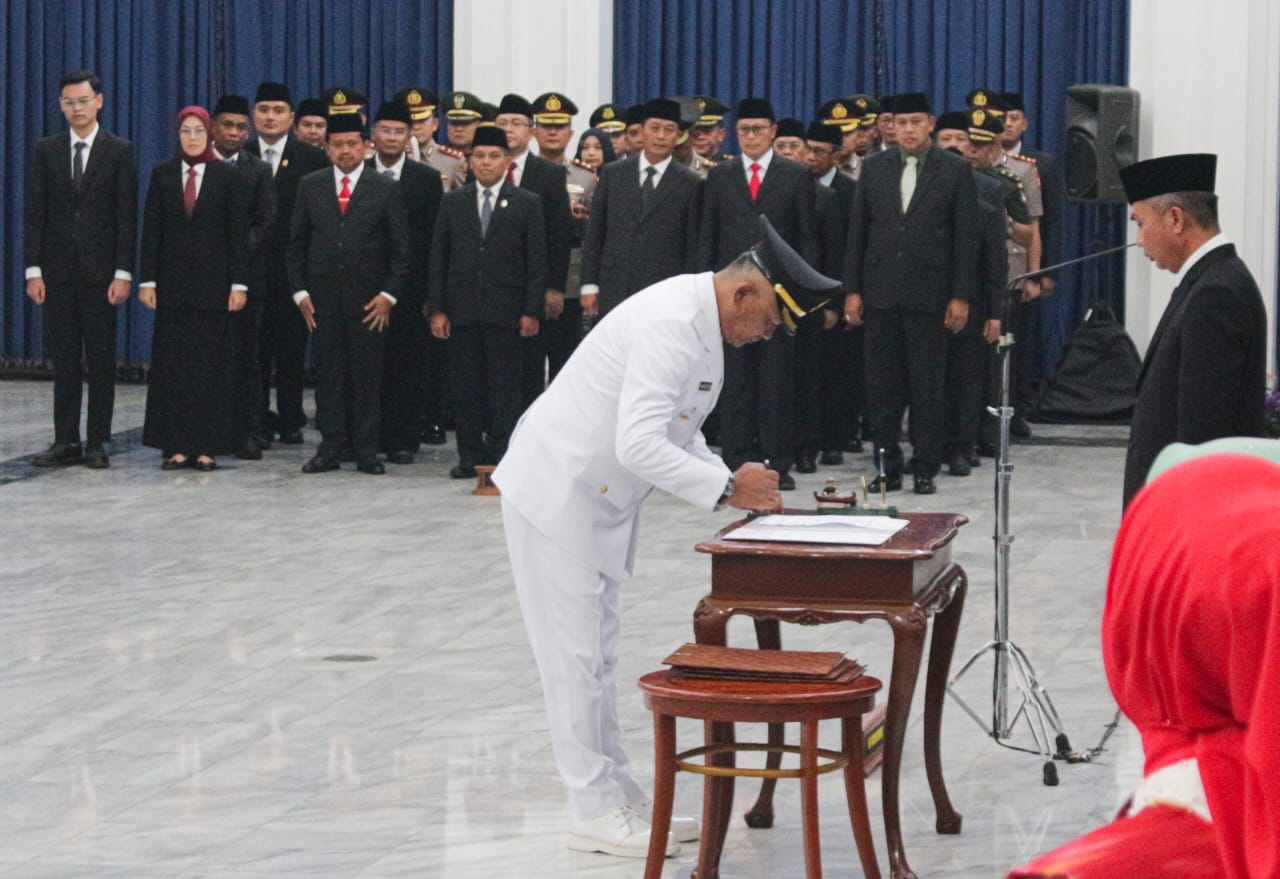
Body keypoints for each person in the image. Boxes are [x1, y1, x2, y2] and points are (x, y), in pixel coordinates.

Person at [493, 216, 838, 859]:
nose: (767, 335)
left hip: (594, 501)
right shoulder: (673, 325)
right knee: (572, 662)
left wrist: (730, 477)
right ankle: (591, 809)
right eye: (770, 320)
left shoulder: (701, 325)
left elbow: (681, 433)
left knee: (596, 657)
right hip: (558, 492)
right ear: (745, 294)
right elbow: (639, 443)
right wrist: (730, 489)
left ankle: (618, 798)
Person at [843, 92, 980, 495]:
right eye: (900, 123)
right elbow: (859, 234)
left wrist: (960, 295)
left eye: (915, 122)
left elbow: (964, 239)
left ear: (930, 124)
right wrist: (852, 290)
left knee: (927, 386)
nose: (907, 130)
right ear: (890, 126)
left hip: (930, 295)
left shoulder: (954, 170)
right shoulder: (875, 167)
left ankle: (925, 466)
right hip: (881, 293)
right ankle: (887, 465)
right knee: (882, 388)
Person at [1119, 153, 1267, 506]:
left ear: (1175, 219)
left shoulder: (1215, 292)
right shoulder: (1209, 281)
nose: (1138, 240)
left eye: (1140, 223)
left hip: (1187, 509)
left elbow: (1203, 431)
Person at [699, 97, 819, 491]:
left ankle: (776, 460)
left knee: (776, 380)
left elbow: (806, 240)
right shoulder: (720, 176)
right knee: (734, 379)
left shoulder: (795, 175)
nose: (751, 137)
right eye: (744, 131)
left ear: (772, 133)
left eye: (758, 130)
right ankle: (735, 458)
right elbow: (708, 237)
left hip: (777, 297)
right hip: (730, 298)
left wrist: (800, 297)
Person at [25, 69, 137, 469]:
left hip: (101, 274)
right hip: (57, 274)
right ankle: (65, 439)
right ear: (60, 105)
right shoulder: (46, 150)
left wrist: (123, 272)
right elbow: (34, 212)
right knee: (66, 360)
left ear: (99, 101)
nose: (76, 108)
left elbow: (126, 217)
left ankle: (97, 441)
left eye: (83, 100)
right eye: (69, 102)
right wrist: (33, 270)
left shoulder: (119, 151)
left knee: (101, 360)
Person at [288, 111, 411, 475]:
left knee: (368, 376)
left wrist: (389, 295)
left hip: (370, 303)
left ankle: (367, 450)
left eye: (352, 144)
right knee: (329, 378)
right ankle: (330, 446)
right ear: (327, 149)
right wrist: (300, 293)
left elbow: (401, 250)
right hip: (322, 302)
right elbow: (295, 245)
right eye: (338, 144)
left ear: (365, 147)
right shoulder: (311, 185)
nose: (345, 151)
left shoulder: (385, 187)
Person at [427, 126, 546, 479]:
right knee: (465, 387)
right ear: (469, 160)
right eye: (479, 155)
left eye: (494, 156)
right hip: (462, 310)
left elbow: (536, 261)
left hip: (507, 312)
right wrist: (438, 308)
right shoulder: (453, 201)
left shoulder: (527, 202)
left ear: (507, 162)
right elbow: (439, 257)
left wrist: (531, 309)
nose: (486, 162)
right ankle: (469, 456)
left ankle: (502, 456)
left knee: (504, 388)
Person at [138, 105, 250, 471]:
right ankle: (176, 445)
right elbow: (151, 232)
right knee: (174, 368)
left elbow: (237, 235)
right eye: (185, 131)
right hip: (172, 290)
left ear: (210, 135)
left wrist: (238, 284)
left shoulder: (226, 177)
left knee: (210, 367)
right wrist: (148, 280)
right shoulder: (163, 174)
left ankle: (207, 446)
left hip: (214, 290)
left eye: (198, 131)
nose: (192, 137)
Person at [245, 82, 329, 446]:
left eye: (278, 110)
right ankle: (257, 416)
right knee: (255, 349)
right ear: (254, 115)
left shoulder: (311, 158)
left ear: (291, 118)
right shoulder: (242, 154)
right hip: (250, 270)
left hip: (294, 271)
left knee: (292, 349)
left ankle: (292, 417)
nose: (270, 116)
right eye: (263, 109)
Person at [367, 101, 443, 466]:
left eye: (400, 131)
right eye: (385, 130)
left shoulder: (425, 179)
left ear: (409, 135)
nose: (392, 138)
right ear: (374, 134)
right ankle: (367, 436)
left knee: (407, 366)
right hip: (365, 287)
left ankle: (402, 439)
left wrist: (433, 292)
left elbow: (434, 239)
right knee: (368, 364)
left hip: (412, 290)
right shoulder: (359, 172)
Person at [579, 99, 703, 319]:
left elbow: (692, 245)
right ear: (640, 133)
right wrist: (589, 284)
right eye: (654, 128)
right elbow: (595, 232)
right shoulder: (613, 173)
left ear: (678, 136)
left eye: (669, 130)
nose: (661, 136)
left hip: (665, 292)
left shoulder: (691, 183)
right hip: (613, 286)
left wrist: (688, 294)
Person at [494, 93, 573, 408]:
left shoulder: (548, 174)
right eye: (502, 123)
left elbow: (560, 233)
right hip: (496, 284)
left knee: (530, 365)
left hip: (535, 285)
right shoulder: (484, 166)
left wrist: (554, 287)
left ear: (531, 130)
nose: (509, 129)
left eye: (516, 123)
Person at [211, 93, 278, 460]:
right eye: (227, 125)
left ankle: (248, 430)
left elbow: (265, 223)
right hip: (202, 282)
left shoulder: (257, 169)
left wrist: (230, 255)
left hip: (248, 280)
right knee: (206, 358)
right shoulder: (196, 165)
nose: (234, 133)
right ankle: (207, 429)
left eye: (241, 127)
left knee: (248, 359)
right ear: (213, 126)